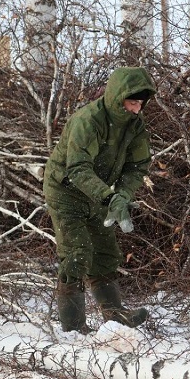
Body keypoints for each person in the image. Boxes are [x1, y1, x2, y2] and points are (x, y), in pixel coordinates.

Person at [43, 67, 156, 333]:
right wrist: (109, 196)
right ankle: (73, 328)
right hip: (66, 190)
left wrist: (123, 196)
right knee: (77, 252)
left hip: (99, 192)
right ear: (117, 97)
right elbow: (78, 168)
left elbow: (138, 166)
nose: (136, 109)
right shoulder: (89, 120)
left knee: (105, 253)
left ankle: (115, 318)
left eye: (140, 103)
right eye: (131, 102)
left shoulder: (135, 126)